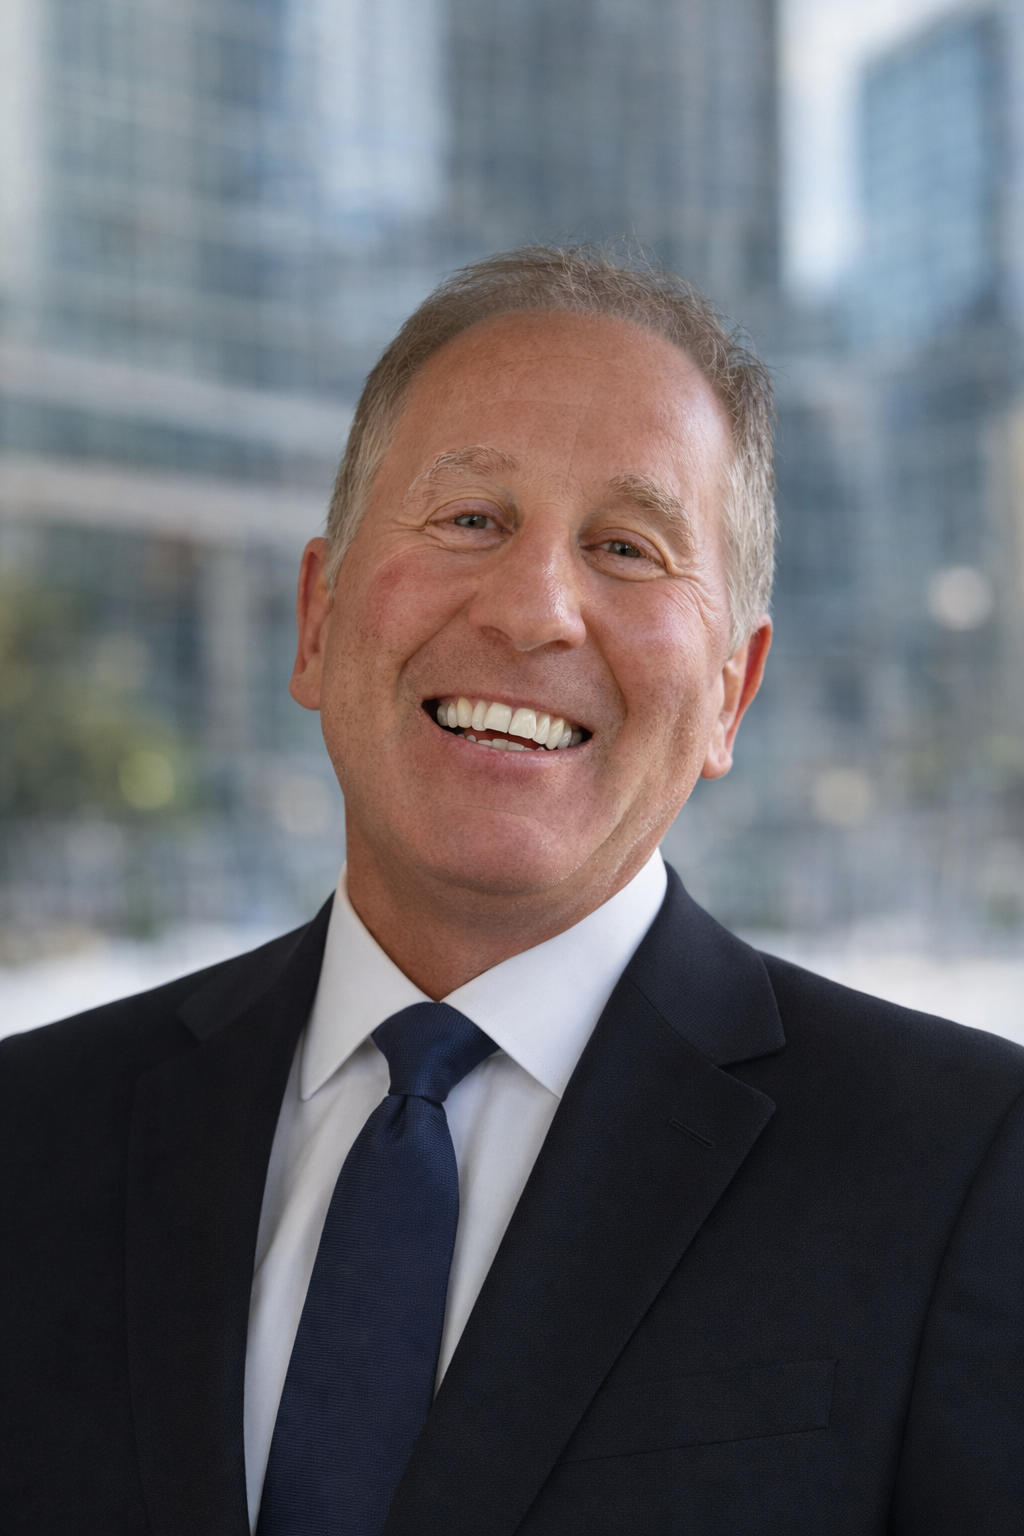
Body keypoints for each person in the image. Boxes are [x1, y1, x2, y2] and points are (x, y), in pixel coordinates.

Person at [1, 247, 1022, 1536]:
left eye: (627, 547)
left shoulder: (968, 1167)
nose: (536, 609)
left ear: (731, 692)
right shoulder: (27, 1135)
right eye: (470, 519)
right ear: (316, 619)